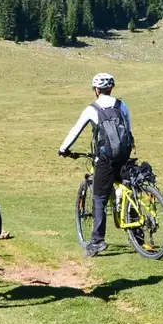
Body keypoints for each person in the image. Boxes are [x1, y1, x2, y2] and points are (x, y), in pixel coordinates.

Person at [57, 72, 132, 256]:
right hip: (124, 155)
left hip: (105, 159)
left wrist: (63, 149)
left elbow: (76, 130)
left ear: (96, 90)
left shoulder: (92, 109)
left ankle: (97, 241)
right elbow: (128, 129)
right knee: (129, 189)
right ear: (111, 88)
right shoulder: (122, 105)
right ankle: (137, 234)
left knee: (99, 197)